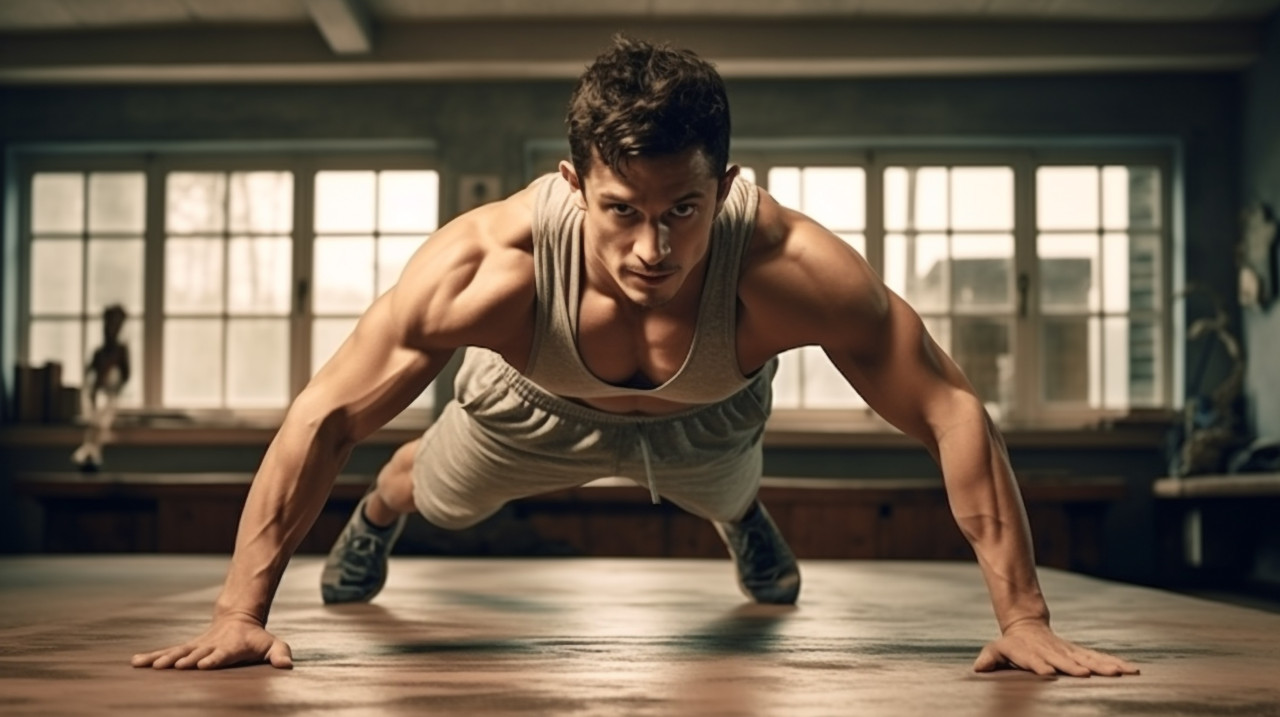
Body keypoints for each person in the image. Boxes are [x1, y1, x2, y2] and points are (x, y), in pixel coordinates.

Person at [132, 35, 1139, 677]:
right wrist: (237, 611)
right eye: (620, 212)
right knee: (433, 490)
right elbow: (328, 413)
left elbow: (947, 409)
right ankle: (382, 516)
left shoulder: (792, 265)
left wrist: (1023, 615)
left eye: (683, 212)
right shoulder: (488, 264)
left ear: (726, 182)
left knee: (723, 479)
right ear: (574, 184)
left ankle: (739, 513)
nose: (652, 250)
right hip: (520, 411)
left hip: (708, 418)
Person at [72, 304, 130, 470]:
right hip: (97, 398)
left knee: (101, 418)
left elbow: (125, 377)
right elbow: (89, 377)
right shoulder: (99, 352)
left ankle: (90, 451)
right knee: (95, 420)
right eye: (109, 324)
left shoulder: (121, 351)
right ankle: (90, 451)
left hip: (111, 399)